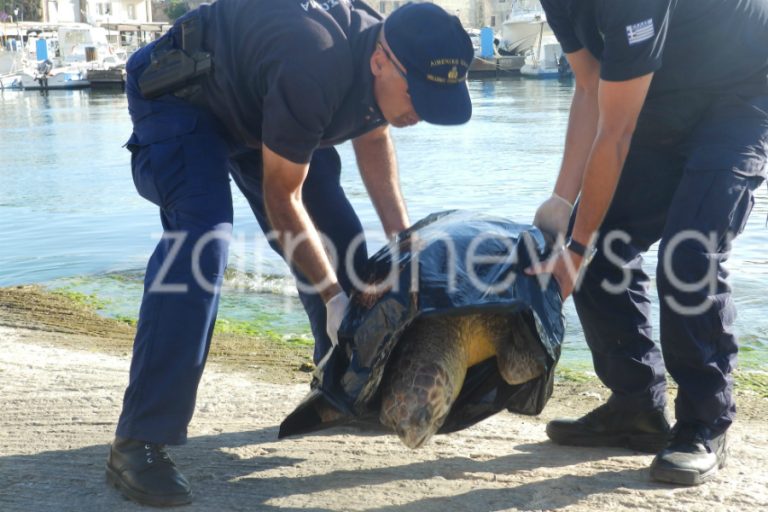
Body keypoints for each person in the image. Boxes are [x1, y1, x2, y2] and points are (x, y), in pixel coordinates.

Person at [106, 0, 474, 506]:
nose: (421, 113)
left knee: (343, 241)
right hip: (183, 93)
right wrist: (332, 299)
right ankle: (138, 443)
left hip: (264, 102)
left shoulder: (384, 46)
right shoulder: (314, 61)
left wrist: (404, 244)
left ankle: (344, 386)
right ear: (380, 62)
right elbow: (283, 198)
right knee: (202, 240)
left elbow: (372, 139)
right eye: (419, 96)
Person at [529, 0, 768, 486]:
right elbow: (590, 87)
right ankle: (636, 406)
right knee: (597, 242)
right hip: (660, 95)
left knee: (689, 252)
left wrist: (575, 250)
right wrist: (562, 200)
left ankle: (705, 422)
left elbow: (615, 133)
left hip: (740, 96)